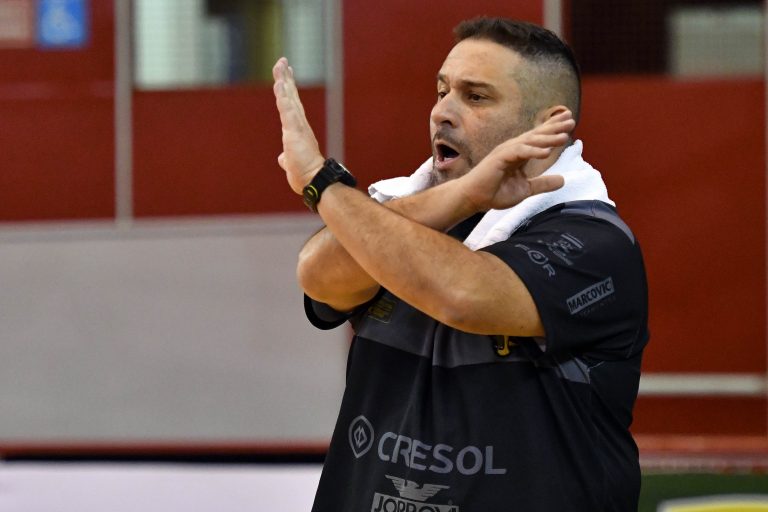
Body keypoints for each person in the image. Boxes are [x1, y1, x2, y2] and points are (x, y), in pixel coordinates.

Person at [272, 16, 648, 512]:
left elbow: (462, 296)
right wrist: (461, 196)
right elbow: (318, 276)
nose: (441, 112)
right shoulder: (400, 208)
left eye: (475, 97)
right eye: (442, 91)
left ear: (547, 126)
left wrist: (322, 183)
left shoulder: (599, 244)